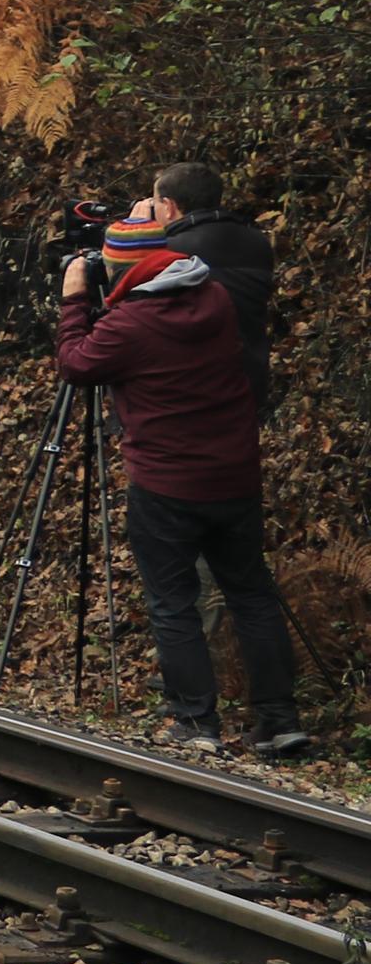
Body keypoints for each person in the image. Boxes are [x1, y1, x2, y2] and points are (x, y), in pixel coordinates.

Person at [63, 193, 309, 755]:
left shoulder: (128, 326)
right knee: (251, 594)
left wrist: (76, 300)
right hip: (235, 476)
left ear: (124, 269)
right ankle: (279, 719)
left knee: (172, 603)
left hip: (167, 485)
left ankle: (196, 722)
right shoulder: (216, 298)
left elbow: (76, 363)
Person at [148, 162, 281, 405]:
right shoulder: (257, 242)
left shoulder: (166, 252)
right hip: (247, 383)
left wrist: (137, 232)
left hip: (188, 392)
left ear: (168, 207)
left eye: (154, 202)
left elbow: (126, 306)